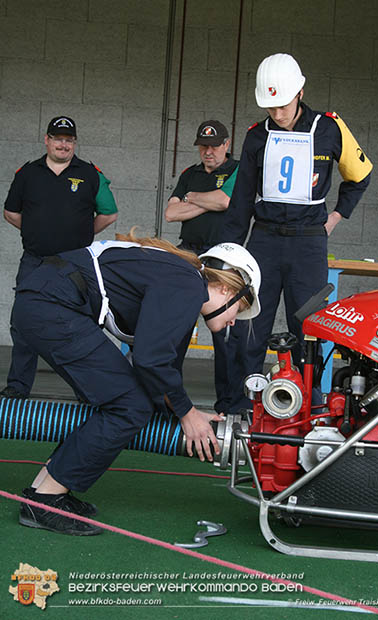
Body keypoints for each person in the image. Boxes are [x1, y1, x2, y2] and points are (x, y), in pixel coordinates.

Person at [13, 232, 261, 535]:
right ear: (224, 288)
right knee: (128, 406)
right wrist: (187, 415)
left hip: (46, 301)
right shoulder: (187, 286)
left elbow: (164, 370)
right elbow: (149, 360)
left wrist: (190, 412)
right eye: (241, 308)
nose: (236, 320)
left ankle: (44, 488)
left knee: (125, 400)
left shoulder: (184, 281)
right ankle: (45, 499)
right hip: (51, 306)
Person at [222, 53, 373, 409]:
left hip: (308, 241)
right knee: (250, 322)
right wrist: (227, 254)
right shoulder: (256, 136)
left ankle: (309, 404)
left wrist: (336, 216)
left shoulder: (330, 127)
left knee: (309, 325)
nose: (277, 113)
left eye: (283, 105)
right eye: (270, 106)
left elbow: (361, 174)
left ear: (300, 92)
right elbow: (241, 200)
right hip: (264, 238)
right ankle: (244, 403)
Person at [1, 116, 118, 400]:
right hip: (35, 260)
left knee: (81, 325)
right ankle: (18, 387)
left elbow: (109, 213)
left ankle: (85, 390)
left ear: (74, 143)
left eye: (68, 140)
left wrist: (81, 236)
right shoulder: (27, 173)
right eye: (57, 139)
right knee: (24, 322)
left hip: (74, 265)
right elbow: (11, 212)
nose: (63, 145)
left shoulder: (91, 174)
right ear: (47, 140)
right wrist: (35, 230)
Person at [165, 120, 240, 414]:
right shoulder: (189, 173)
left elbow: (224, 201)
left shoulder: (236, 170)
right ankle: (168, 399)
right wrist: (204, 202)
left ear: (227, 145)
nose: (209, 151)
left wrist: (193, 198)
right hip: (188, 255)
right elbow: (171, 213)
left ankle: (229, 404)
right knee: (176, 328)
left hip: (222, 259)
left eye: (214, 145)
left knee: (224, 335)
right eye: (204, 146)